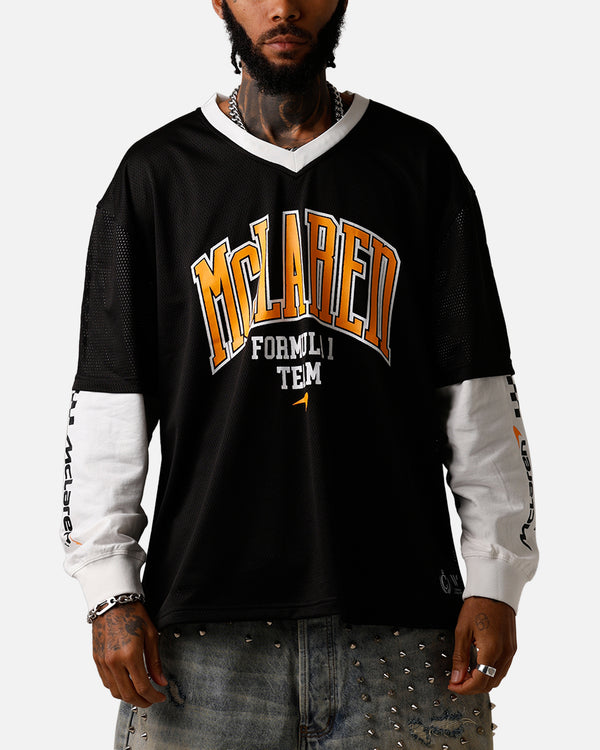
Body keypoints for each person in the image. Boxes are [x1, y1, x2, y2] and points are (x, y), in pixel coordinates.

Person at [61, 1, 538, 748]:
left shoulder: (416, 161)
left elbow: (475, 389)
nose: (283, 6)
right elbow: (109, 399)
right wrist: (107, 589)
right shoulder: (157, 174)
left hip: (404, 629)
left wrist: (497, 576)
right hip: (200, 641)